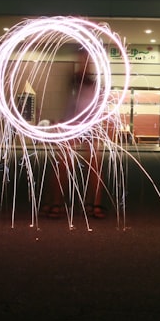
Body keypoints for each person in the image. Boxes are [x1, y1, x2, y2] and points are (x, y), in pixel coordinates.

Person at [43, 46, 108, 219]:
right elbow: (66, 103)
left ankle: (94, 203)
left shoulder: (94, 83)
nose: (86, 63)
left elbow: (97, 106)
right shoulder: (71, 80)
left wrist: (99, 122)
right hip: (71, 125)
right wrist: (59, 122)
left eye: (89, 60)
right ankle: (54, 201)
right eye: (83, 59)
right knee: (63, 164)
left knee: (94, 165)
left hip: (89, 126)